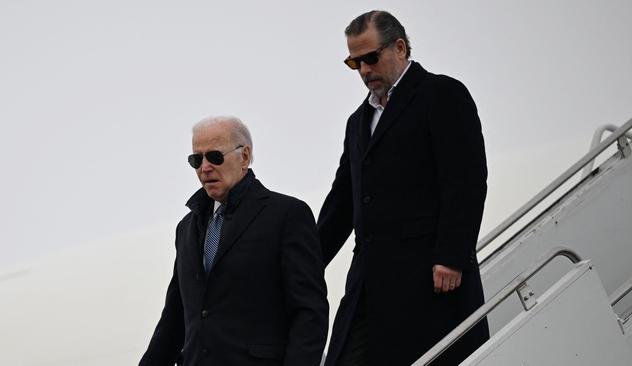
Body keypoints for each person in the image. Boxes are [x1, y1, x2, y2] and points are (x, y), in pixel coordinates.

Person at [318, 10, 489, 366]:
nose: (364, 70)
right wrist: (305, 261)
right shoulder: (357, 121)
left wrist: (452, 256)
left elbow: (466, 179)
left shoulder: (442, 94)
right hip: (369, 284)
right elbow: (342, 201)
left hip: (430, 280)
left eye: (371, 58)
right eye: (354, 62)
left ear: (399, 47)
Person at [139, 116, 329, 366]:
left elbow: (309, 312)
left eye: (215, 157)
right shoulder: (186, 229)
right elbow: (174, 319)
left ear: (245, 156)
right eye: (197, 160)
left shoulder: (286, 215)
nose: (205, 167)